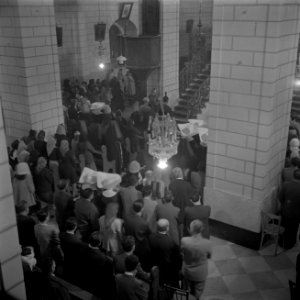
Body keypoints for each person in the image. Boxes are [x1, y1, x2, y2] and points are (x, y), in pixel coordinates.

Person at [181, 220, 212, 300]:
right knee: (197, 293)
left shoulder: (184, 241)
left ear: (191, 229)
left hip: (187, 271)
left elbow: (182, 252)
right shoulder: (207, 243)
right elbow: (209, 256)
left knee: (186, 291)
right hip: (200, 273)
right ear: (201, 229)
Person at [79, 235, 116, 299]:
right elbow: (109, 276)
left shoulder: (81, 248)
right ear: (99, 243)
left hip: (82, 278)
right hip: (96, 285)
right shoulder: (105, 259)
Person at [148, 219, 182, 286]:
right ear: (167, 228)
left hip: (152, 268)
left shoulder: (150, 237)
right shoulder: (172, 243)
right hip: (167, 272)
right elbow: (177, 261)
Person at [124, 200, 152, 271]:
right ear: (142, 209)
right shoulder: (144, 223)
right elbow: (149, 233)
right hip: (140, 247)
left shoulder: (126, 218)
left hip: (129, 244)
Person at [59, 217, 84, 284]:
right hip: (73, 261)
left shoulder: (60, 235)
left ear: (65, 225)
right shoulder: (77, 241)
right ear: (75, 227)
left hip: (63, 258)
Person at [279, 169, 300, 249]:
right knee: (293, 228)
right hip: (296, 213)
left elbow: (280, 197)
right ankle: (291, 243)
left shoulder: (285, 184)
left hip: (285, 211)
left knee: (284, 226)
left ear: (293, 175)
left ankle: (281, 242)